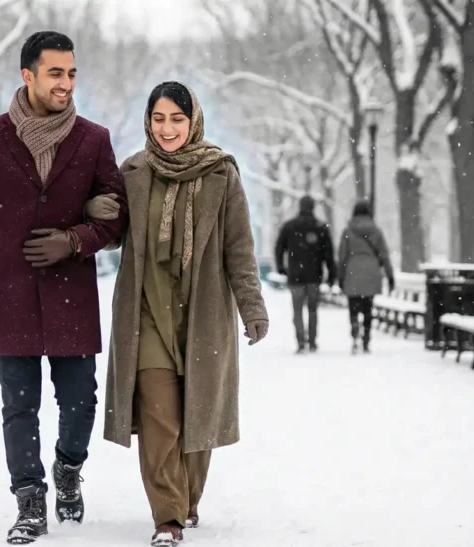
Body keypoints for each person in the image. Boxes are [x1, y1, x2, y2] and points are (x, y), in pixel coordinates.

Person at [0, 31, 128, 545]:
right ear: (28, 76)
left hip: (72, 292)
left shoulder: (94, 139)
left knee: (81, 402)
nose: (66, 83)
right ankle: (30, 499)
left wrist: (75, 240)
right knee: (18, 406)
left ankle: (68, 469)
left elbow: (116, 217)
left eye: (71, 73)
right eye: (56, 73)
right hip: (12, 292)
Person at [90, 81, 268, 547]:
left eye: (177, 118)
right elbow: (110, 233)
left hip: (203, 311)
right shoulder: (132, 172)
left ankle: (187, 499)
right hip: (147, 312)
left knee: (198, 414)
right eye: (159, 118)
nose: (167, 128)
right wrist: (94, 208)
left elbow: (238, 249)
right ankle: (166, 516)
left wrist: (252, 307)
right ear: (148, 121)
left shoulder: (221, 174)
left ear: (194, 122)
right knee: (158, 413)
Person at [274, 194, 336, 353]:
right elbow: (328, 254)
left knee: (297, 310)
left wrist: (281, 267)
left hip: (295, 276)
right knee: (313, 310)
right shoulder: (320, 227)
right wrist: (332, 274)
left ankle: (301, 341)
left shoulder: (290, 226)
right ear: (313, 207)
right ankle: (313, 341)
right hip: (315, 276)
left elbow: (279, 248)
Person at [338, 199, 394, 353]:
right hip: (371, 271)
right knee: (368, 307)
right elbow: (384, 255)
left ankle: (355, 330)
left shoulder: (348, 231)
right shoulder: (376, 231)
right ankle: (366, 339)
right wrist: (390, 276)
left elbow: (342, 257)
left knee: (353, 306)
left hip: (352, 271)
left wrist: (340, 276)